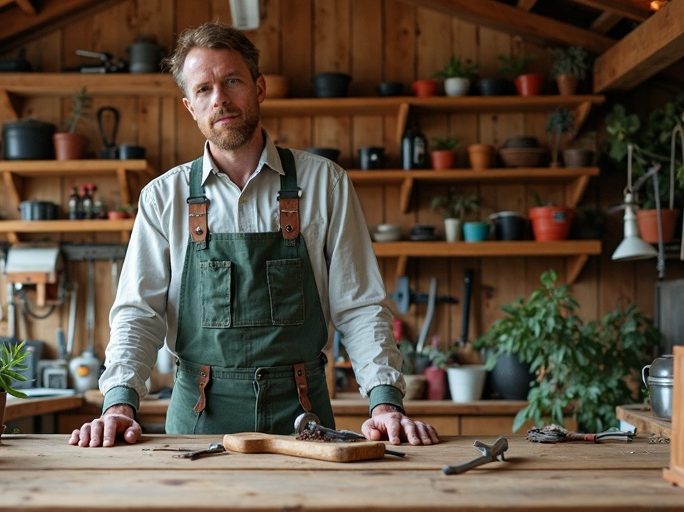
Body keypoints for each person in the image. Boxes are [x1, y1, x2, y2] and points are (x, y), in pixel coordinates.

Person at [70, 21, 440, 448]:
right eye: (204, 89)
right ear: (190, 107)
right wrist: (119, 403)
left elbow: (359, 307)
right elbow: (139, 313)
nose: (221, 99)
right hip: (198, 420)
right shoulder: (162, 198)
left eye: (232, 81)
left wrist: (385, 403)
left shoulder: (326, 185)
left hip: (306, 419)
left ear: (259, 87)